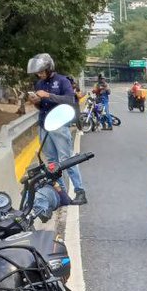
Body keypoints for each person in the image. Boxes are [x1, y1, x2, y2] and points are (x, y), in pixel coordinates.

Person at [27, 53, 86, 204]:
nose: (39, 75)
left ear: (49, 69)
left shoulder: (62, 81)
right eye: (37, 73)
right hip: (44, 125)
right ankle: (62, 195)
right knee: (52, 162)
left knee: (67, 159)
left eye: (41, 72)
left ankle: (80, 191)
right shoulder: (39, 84)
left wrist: (48, 95)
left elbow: (69, 99)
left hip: (59, 125)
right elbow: (41, 105)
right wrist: (36, 100)